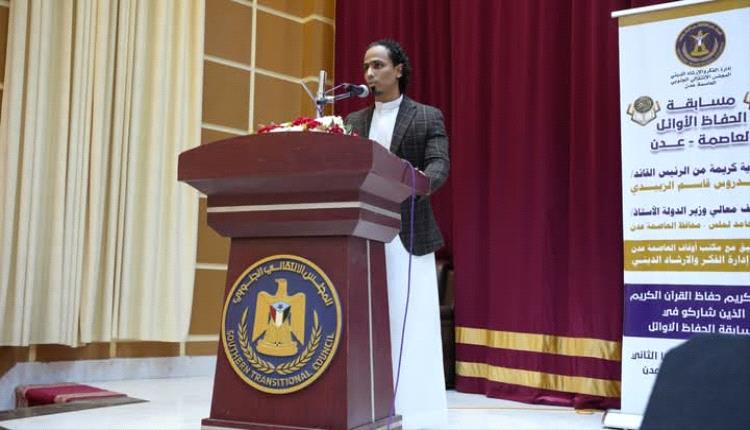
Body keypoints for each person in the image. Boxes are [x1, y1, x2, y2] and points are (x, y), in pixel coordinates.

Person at [345, 39, 450, 424]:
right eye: (366, 67)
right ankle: (365, 405)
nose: (370, 74)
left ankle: (418, 409)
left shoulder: (426, 117)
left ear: (399, 70)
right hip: (362, 234)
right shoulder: (354, 122)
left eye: (378, 65)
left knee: (412, 322)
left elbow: (439, 166)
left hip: (409, 231)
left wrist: (416, 183)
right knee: (365, 321)